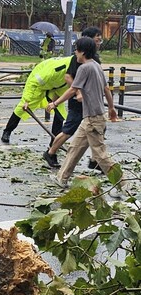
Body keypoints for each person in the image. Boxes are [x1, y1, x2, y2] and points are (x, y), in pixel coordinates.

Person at [45, 37, 121, 195]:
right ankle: (62, 178)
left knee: (100, 155)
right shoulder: (97, 66)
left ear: (83, 52)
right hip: (91, 117)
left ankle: (123, 184)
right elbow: (106, 89)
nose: (75, 53)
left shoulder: (84, 68)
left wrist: (55, 103)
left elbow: (73, 89)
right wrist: (111, 108)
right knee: (75, 148)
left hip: (93, 119)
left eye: (77, 50)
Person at [43, 27, 104, 168]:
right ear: (88, 40)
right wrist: (78, 93)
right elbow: (68, 78)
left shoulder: (94, 60)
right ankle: (51, 152)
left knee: (96, 131)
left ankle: (96, 160)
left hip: (91, 105)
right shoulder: (79, 59)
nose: (99, 41)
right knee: (69, 131)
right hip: (78, 103)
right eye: (97, 38)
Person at [1, 56, 72, 146]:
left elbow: (64, 88)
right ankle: (7, 131)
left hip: (55, 88)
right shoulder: (55, 70)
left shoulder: (75, 71)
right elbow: (33, 83)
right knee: (22, 108)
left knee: (59, 113)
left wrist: (54, 102)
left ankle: (54, 141)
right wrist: (27, 100)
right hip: (38, 84)